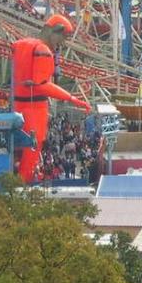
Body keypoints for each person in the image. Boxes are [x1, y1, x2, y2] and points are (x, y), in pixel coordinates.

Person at [12, 14, 90, 183]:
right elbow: (42, 85)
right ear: (54, 32)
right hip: (35, 109)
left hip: (17, 104)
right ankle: (22, 185)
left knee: (17, 147)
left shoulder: (23, 45)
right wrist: (72, 98)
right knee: (33, 147)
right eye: (63, 37)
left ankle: (14, 181)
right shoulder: (43, 51)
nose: (62, 43)